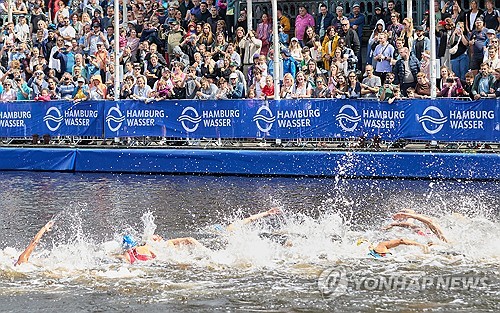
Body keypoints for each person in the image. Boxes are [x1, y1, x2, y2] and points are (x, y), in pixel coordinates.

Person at [384, 209, 449, 243]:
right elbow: (411, 225)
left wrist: (411, 215)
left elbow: (430, 222)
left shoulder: (441, 238)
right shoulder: (427, 233)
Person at [358, 237, 430, 259]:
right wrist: (421, 245)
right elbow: (401, 240)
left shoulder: (360, 255)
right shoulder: (380, 246)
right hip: (394, 261)